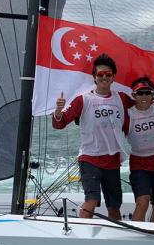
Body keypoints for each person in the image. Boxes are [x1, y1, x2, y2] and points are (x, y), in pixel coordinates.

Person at [52, 54, 126, 219]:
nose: (104, 77)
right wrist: (58, 111)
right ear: (94, 77)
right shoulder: (83, 100)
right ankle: (82, 238)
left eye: (108, 74)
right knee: (91, 200)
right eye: (100, 74)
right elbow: (59, 123)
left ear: (113, 77)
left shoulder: (121, 98)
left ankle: (118, 239)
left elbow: (144, 103)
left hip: (112, 159)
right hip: (90, 158)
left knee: (114, 206)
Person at [125, 76, 154, 222]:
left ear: (152, 94)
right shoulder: (128, 114)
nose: (144, 96)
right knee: (143, 201)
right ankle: (137, 237)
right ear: (134, 95)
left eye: (147, 92)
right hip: (139, 164)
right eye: (140, 93)